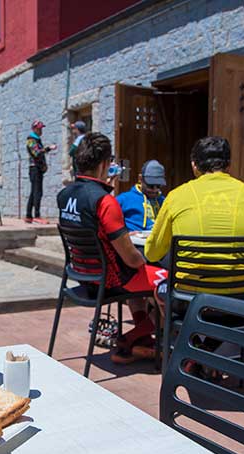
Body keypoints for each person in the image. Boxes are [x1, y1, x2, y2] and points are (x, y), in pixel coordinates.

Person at [56, 132, 168, 364]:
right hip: (111, 280)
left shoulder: (63, 195)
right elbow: (131, 260)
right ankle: (137, 339)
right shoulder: (105, 201)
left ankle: (143, 339)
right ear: (106, 164)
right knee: (168, 282)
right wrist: (147, 260)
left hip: (83, 276)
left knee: (141, 284)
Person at [145, 136, 244, 295]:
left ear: (194, 165)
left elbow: (152, 253)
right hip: (241, 299)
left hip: (190, 298)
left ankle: (168, 320)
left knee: (158, 292)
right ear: (228, 165)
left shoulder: (176, 197)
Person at [115, 160, 166, 233]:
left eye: (158, 186)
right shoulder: (124, 199)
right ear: (140, 179)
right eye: (150, 186)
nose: (154, 190)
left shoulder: (163, 201)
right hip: (133, 241)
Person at [25, 120, 57, 224]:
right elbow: (36, 153)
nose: (41, 131)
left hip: (38, 168)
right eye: (39, 129)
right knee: (37, 192)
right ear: (34, 129)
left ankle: (28, 215)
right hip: (34, 169)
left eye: (41, 128)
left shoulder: (37, 139)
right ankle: (37, 216)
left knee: (34, 192)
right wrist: (48, 148)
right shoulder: (31, 139)